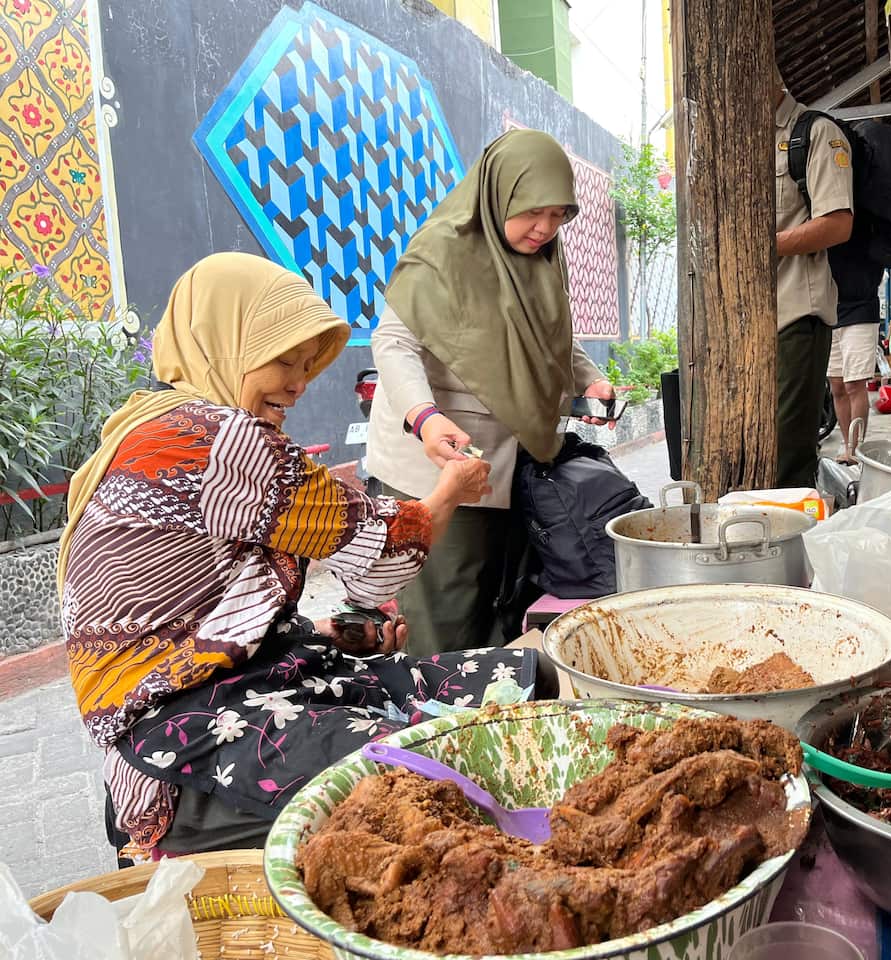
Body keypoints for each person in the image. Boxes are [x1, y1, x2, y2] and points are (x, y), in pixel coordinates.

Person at [57, 252, 547, 859]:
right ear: (222, 342)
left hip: (238, 691)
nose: (298, 381)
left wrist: (320, 631)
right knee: (442, 769)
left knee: (514, 682)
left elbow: (183, 615)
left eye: (306, 362)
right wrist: (449, 494)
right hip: (182, 751)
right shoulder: (214, 441)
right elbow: (378, 560)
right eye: (282, 359)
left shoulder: (152, 426)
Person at [366, 128, 615, 656]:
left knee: (502, 605)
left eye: (558, 215)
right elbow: (392, 341)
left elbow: (550, 335)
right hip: (437, 461)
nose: (545, 229)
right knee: (447, 618)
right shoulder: (442, 254)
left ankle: (490, 716)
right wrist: (424, 418)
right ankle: (435, 729)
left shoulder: (541, 259)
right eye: (531, 212)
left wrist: (587, 380)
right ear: (499, 193)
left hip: (510, 462)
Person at [774, 66, 854, 487]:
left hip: (795, 313)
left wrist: (763, 246)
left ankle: (789, 544)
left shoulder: (814, 133)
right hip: (748, 319)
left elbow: (838, 223)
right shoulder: (737, 138)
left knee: (788, 448)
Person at [826, 256, 885, 461]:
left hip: (861, 309)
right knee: (837, 386)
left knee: (854, 384)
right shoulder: (820, 226)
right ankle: (847, 446)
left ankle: (856, 449)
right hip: (830, 311)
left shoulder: (865, 226)